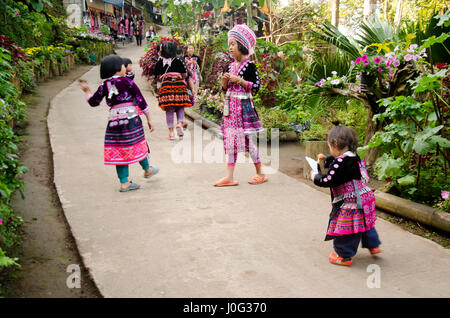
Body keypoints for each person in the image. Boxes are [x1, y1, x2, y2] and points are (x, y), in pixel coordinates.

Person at [79, 55, 159, 192]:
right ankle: (147, 169)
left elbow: (94, 102)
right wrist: (149, 118)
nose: (125, 68)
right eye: (123, 66)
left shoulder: (104, 85)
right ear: (116, 68)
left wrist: (87, 92)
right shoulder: (128, 82)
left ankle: (124, 183)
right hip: (131, 119)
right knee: (139, 142)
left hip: (114, 122)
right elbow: (141, 100)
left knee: (119, 149)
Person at [311, 126, 381, 267]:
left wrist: (316, 177)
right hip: (364, 196)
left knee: (346, 228)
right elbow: (340, 162)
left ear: (335, 143)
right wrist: (327, 158)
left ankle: (344, 255)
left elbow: (329, 180)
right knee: (365, 222)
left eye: (330, 146)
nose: (330, 150)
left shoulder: (340, 163)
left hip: (350, 201)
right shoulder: (354, 156)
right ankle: (373, 245)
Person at [214, 24, 266, 187]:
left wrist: (241, 81)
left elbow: (256, 87)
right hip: (230, 109)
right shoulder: (229, 66)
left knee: (247, 141)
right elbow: (225, 90)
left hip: (243, 109)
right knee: (230, 141)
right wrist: (224, 83)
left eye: (233, 44)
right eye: (229, 44)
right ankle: (229, 177)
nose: (230, 47)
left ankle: (260, 173)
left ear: (242, 46)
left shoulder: (250, 66)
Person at [153, 41, 192, 140]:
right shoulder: (178, 60)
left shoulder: (159, 62)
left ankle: (171, 133)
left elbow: (156, 76)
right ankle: (179, 123)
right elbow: (184, 74)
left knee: (169, 109)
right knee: (180, 106)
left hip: (166, 86)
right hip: (179, 85)